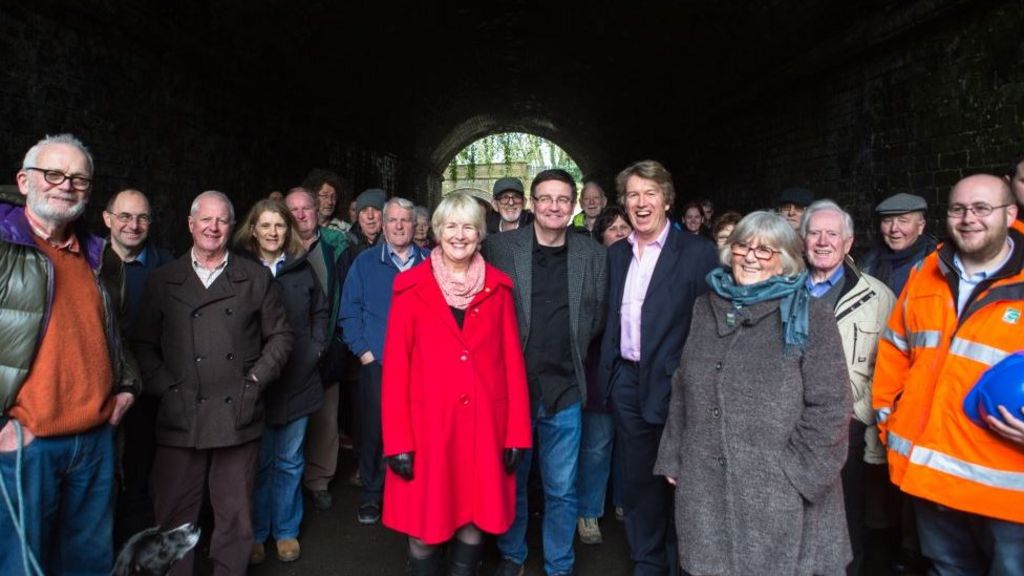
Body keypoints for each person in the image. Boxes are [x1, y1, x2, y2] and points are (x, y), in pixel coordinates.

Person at [655, 210, 852, 575]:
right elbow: (684, 383)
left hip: (782, 491)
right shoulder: (705, 307)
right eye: (743, 245)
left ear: (786, 261)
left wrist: (797, 474)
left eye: (765, 251)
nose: (750, 256)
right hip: (706, 484)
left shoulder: (810, 315)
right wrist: (673, 454)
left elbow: (832, 407)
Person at [132, 190, 293, 576]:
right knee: (174, 514)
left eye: (221, 220)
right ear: (191, 225)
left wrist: (253, 381)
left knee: (235, 516)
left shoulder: (254, 277)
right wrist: (166, 389)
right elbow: (142, 344)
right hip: (179, 414)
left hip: (236, 413)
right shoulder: (163, 280)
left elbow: (282, 337)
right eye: (205, 219)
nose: (213, 227)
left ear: (232, 227)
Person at [0, 133, 138, 575]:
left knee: (89, 562)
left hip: (96, 440)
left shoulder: (100, 257)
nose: (66, 185)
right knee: (23, 564)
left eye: (79, 179)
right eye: (53, 174)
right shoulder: (4, 247)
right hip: (28, 443)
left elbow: (117, 334)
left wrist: (128, 387)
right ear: (24, 181)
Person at [873, 174, 1024, 574]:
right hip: (933, 480)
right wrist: (892, 423)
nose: (968, 218)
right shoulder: (926, 272)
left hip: (1008, 492)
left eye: (981, 208)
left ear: (1009, 214)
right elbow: (893, 351)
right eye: (958, 209)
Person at [381, 192, 532, 576]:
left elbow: (513, 365)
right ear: (436, 232)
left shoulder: (498, 290)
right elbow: (396, 370)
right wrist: (397, 441)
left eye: (468, 226)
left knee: (472, 519)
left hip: (484, 429)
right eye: (451, 226)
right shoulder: (409, 289)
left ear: (480, 234)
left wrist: (516, 434)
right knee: (425, 528)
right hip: (428, 431)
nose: (460, 235)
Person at [599, 160, 719, 575]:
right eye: (633, 194)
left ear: (667, 200)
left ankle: (682, 563)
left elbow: (713, 326)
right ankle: (646, 561)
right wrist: (613, 379)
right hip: (629, 384)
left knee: (684, 483)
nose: (641, 202)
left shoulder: (699, 253)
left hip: (680, 386)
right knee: (639, 481)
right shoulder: (616, 254)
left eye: (650, 193)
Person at [486, 169, 608, 576]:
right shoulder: (500, 249)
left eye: (562, 199)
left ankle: (559, 564)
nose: (554, 206)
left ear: (572, 206)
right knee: (513, 482)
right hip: (514, 390)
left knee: (561, 488)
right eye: (545, 198)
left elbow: (597, 316)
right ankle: (513, 556)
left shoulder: (592, 254)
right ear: (531, 204)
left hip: (566, 389)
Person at [801, 200, 895, 575]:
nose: (823, 241)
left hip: (847, 427)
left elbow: (890, 372)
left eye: (832, 234)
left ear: (849, 241)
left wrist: (854, 413)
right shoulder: (781, 291)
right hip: (789, 426)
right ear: (802, 238)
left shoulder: (878, 297)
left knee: (846, 522)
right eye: (814, 232)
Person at [233, 199, 328, 564]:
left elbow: (320, 310)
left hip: (297, 380)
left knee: (289, 461)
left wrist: (317, 349)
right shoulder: (239, 268)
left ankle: (286, 529)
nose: (273, 233)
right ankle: (256, 531)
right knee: (257, 462)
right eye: (266, 225)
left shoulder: (301, 268)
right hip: (254, 381)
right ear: (253, 229)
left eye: (280, 226)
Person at [341, 197, 430, 525]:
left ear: (416, 224)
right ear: (383, 224)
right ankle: (372, 494)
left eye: (405, 220)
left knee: (419, 429)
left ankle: (413, 492)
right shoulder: (365, 263)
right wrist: (365, 353)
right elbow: (348, 312)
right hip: (378, 362)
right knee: (375, 430)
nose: (398, 226)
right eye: (392, 220)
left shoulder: (431, 262)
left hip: (423, 365)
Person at [102, 187, 175, 547]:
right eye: (125, 216)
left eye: (142, 217)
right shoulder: (89, 263)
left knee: (143, 473)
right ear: (107, 219)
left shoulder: (168, 267)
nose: (134, 225)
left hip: (151, 394)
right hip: (101, 392)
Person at [284, 187, 350, 512]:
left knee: (326, 416)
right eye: (293, 209)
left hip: (325, 345)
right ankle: (287, 484)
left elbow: (345, 294)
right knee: (288, 420)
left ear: (316, 211)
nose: (300, 215)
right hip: (286, 349)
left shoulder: (335, 246)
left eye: (306, 208)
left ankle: (319, 479)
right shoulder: (274, 246)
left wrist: (335, 340)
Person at [575, 205, 633, 546]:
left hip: (630, 372)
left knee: (629, 443)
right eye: (613, 228)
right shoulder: (593, 269)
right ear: (601, 236)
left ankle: (624, 501)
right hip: (598, 369)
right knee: (597, 444)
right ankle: (588, 511)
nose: (621, 232)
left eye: (625, 227)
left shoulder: (642, 267)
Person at [858, 193, 937, 297]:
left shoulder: (937, 263)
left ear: (920, 226)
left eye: (903, 221)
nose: (894, 228)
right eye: (887, 221)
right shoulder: (868, 263)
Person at [303, 168, 351, 232]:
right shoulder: (301, 225)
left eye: (334, 197)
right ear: (313, 196)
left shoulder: (346, 230)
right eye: (325, 196)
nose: (330, 202)